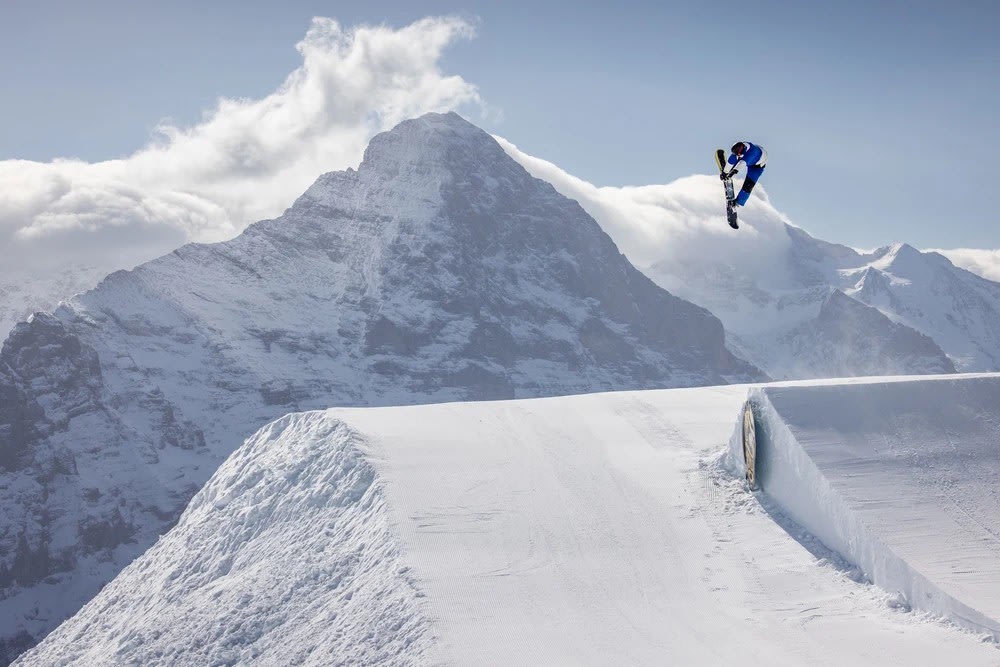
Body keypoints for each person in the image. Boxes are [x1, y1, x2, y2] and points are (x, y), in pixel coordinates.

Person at [722, 141, 767, 207]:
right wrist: (725, 172)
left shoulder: (752, 152)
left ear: (743, 146)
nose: (738, 152)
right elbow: (730, 161)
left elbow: (742, 163)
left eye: (739, 150)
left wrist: (733, 172)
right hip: (749, 160)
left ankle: (738, 202)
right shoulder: (738, 150)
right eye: (736, 152)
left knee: (748, 185)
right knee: (737, 159)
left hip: (757, 167)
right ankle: (729, 170)